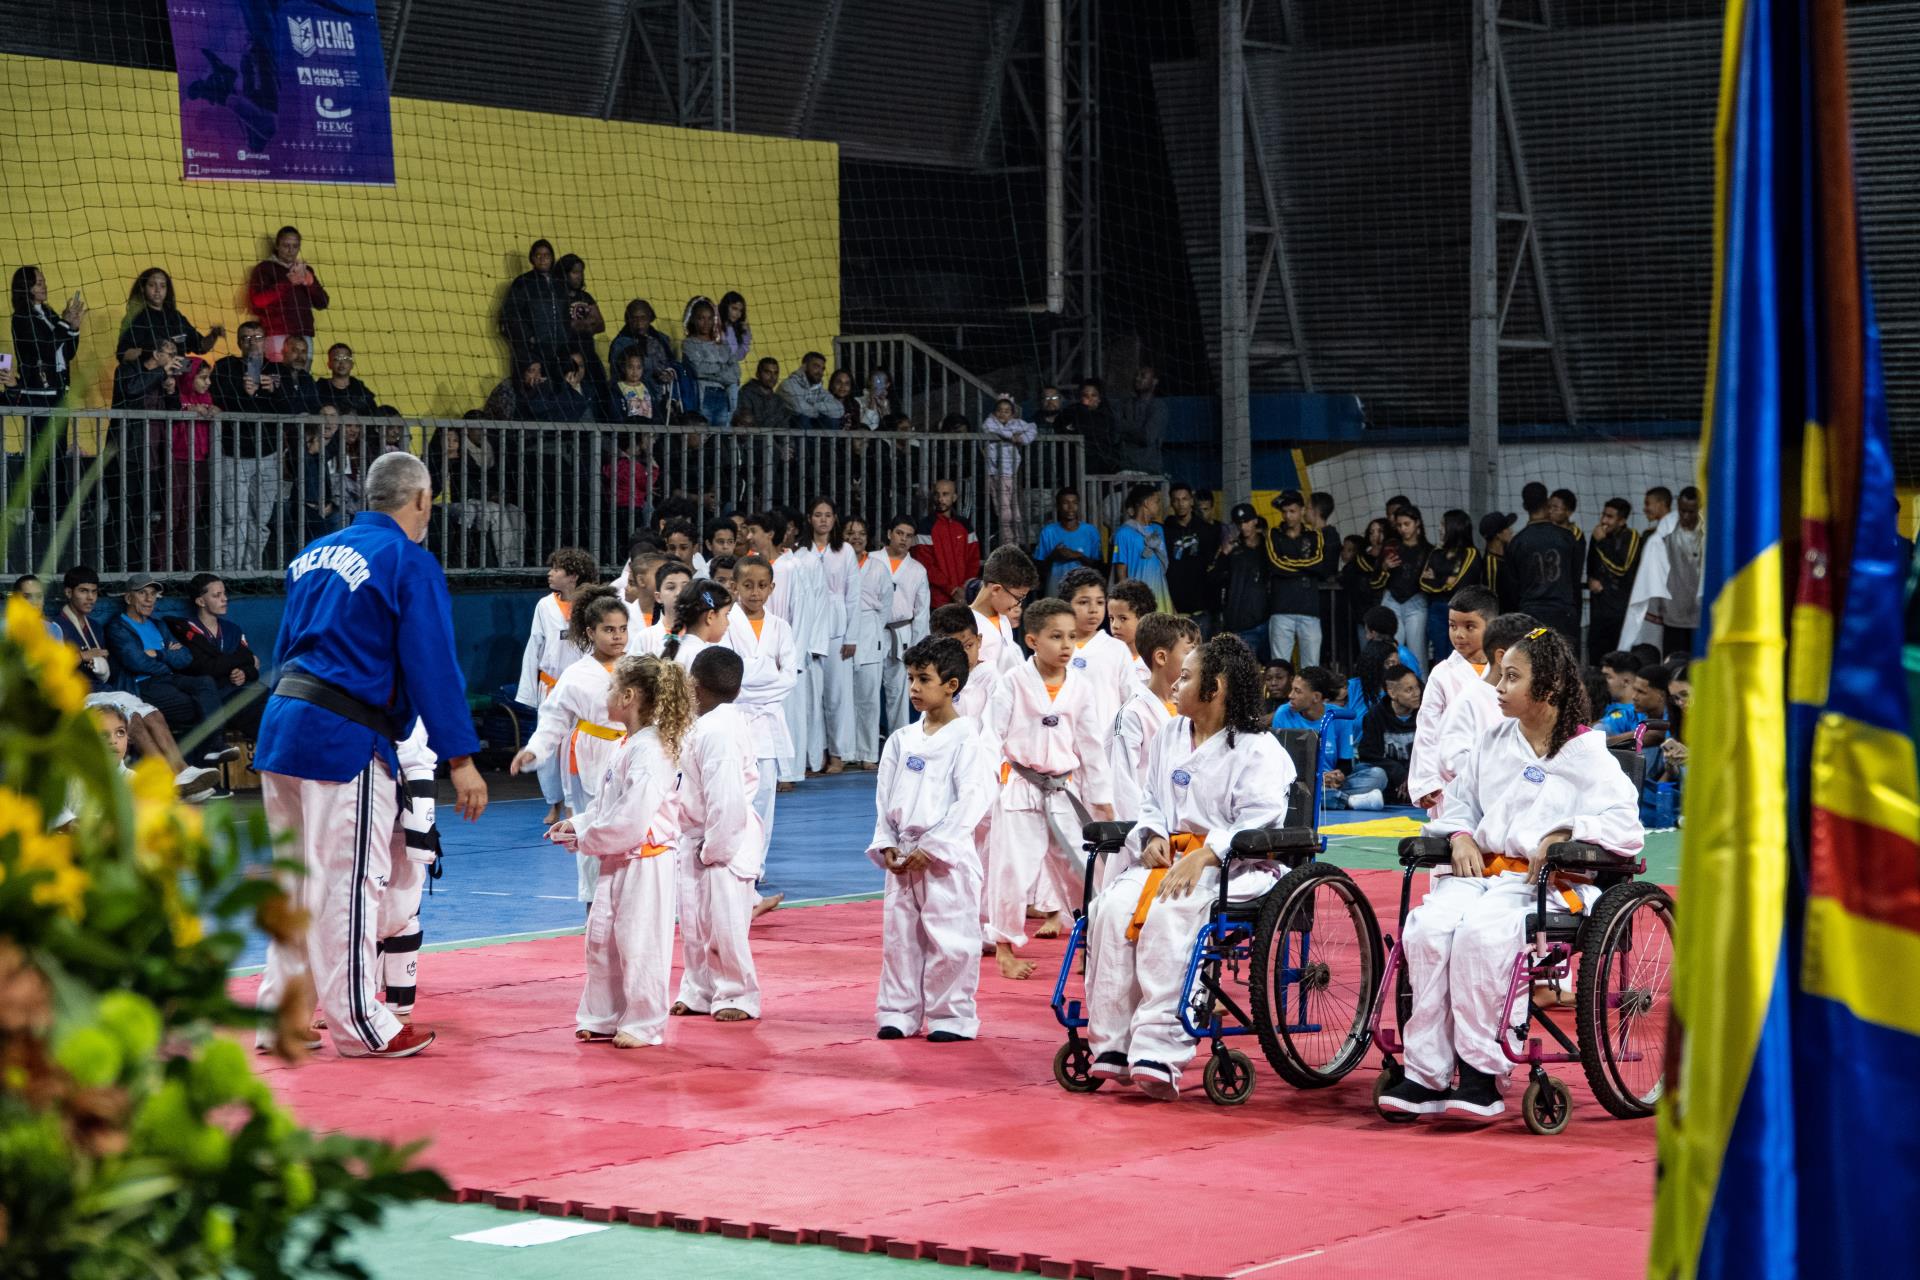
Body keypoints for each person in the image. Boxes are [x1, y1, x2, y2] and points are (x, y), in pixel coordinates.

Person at [253, 452, 487, 1060]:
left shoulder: (312, 555)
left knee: (295, 880)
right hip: (343, 737)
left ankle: (282, 1015)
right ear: (422, 500)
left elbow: (285, 648)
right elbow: (431, 663)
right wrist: (459, 758)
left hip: (283, 725)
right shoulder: (408, 561)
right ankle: (361, 1023)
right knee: (348, 884)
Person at [1377, 627, 1642, 1120]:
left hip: (1550, 887)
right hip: (1483, 876)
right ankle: (1425, 1073)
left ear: (1549, 687)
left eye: (1512, 678)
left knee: (1484, 935)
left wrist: (1566, 830)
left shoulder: (1588, 754)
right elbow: (1458, 807)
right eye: (1501, 675)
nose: (1498, 687)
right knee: (1428, 928)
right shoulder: (1494, 740)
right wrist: (1457, 836)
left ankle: (1482, 1076)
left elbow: (1627, 829)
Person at [1082, 634, 1293, 1098]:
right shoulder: (1172, 734)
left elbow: (1261, 819)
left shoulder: (1260, 750)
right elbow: (1153, 800)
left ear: (1215, 687)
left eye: (1186, 678)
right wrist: (1153, 834)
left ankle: (1161, 1046)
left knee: (1170, 914)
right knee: (1110, 909)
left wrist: (1208, 852)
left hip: (1235, 868)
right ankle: (1112, 1043)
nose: (1175, 686)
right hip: (1171, 860)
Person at [548, 655, 693, 1048]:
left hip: (646, 859)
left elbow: (631, 818)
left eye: (611, 688)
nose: (606, 694)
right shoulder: (629, 744)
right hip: (619, 858)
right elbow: (608, 806)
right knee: (602, 939)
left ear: (628, 696)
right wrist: (577, 824)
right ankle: (603, 1015)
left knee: (640, 943)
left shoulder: (651, 750)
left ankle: (644, 1023)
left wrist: (587, 839)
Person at [868, 636, 998, 1041]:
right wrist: (887, 840)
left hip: (947, 858)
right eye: (910, 679)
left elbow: (972, 801)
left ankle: (952, 1016)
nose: (914, 689)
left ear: (952, 685)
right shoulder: (901, 739)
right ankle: (898, 1012)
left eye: (924, 679)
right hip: (904, 852)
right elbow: (883, 798)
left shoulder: (968, 739)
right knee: (900, 938)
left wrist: (935, 847)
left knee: (952, 939)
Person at [980, 596, 1116, 979]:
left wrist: (1102, 799)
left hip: (1063, 789)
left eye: (1072, 637)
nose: (1067, 645)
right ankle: (1005, 945)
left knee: (1083, 869)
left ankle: (1090, 939)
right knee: (1013, 870)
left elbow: (1090, 745)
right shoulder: (1013, 683)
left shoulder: (1080, 686)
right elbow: (991, 736)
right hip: (1021, 787)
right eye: (1057, 636)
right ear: (1034, 640)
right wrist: (993, 780)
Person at [511, 586, 630, 904]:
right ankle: (594, 902)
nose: (617, 637)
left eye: (622, 629)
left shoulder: (638, 668)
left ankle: (628, 897)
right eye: (608, 630)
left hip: (633, 753)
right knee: (593, 826)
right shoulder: (576, 675)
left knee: (632, 825)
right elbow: (553, 720)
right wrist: (534, 750)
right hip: (591, 755)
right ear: (591, 632)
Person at [673, 647, 766, 1021]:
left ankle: (737, 995)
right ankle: (698, 990)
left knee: (725, 926)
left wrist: (716, 848)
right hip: (698, 834)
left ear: (692, 684)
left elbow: (726, 800)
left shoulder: (719, 730)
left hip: (726, 838)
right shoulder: (702, 723)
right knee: (695, 922)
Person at [722, 554, 798, 892]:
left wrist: (752, 676)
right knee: (737, 796)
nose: (755, 593)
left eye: (762, 586)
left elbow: (789, 678)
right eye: (748, 586)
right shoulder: (725, 624)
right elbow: (728, 675)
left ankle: (757, 864)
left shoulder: (781, 627)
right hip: (735, 718)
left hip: (766, 722)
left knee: (765, 796)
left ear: (772, 588)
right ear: (734, 586)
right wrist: (763, 670)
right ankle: (734, 860)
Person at [515, 547, 595, 825]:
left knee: (577, 748)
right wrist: (528, 692)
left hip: (583, 690)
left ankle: (576, 805)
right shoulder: (544, 606)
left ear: (572, 575)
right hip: (550, 687)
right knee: (549, 752)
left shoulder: (592, 605)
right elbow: (534, 646)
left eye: (557, 569)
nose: (550, 573)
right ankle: (554, 804)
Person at [1405, 585, 1500, 813]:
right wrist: (1427, 782)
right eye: (1452, 626)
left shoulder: (1505, 670)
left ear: (1492, 627)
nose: (1459, 634)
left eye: (1470, 627)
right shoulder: (1443, 673)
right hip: (1452, 778)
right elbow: (1427, 731)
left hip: (1498, 772)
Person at [105, 576, 225, 752]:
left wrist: (158, 654)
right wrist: (169, 659)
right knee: (199, 704)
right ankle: (205, 752)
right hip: (143, 685)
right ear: (128, 598)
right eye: (142, 593)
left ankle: (216, 745)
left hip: (169, 678)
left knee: (206, 683)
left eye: (153, 594)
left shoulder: (158, 625)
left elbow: (185, 657)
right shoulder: (118, 627)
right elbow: (137, 663)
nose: (149, 599)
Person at [1433, 612, 1541, 793]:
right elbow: (1451, 761)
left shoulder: (1529, 697)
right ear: (1502, 657)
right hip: (1475, 811)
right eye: (1532, 655)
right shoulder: (1469, 701)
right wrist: (1505, 775)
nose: (1537, 663)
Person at [210, 321, 288, 571]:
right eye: (246, 338)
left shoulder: (278, 370)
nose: (252, 341)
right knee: (235, 519)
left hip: (268, 454)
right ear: (238, 342)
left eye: (257, 336)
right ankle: (231, 573)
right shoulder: (225, 367)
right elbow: (220, 402)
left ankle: (251, 571)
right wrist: (244, 393)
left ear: (265, 340)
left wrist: (274, 391)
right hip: (235, 454)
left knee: (260, 520)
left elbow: (291, 408)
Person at [1110, 611, 1200, 823]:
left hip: (1186, 828)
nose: (1197, 661)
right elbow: (1123, 786)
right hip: (1147, 832)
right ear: (1161, 657)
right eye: (1189, 652)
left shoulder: (1195, 710)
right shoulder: (1133, 714)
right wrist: (1149, 831)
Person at [1272, 665, 1381, 810]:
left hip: (1331, 782)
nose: (1290, 695)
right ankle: (1350, 801)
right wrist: (1317, 778)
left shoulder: (1340, 716)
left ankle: (1330, 797)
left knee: (1378, 775)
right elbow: (1278, 764)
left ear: (1316, 697)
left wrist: (1337, 776)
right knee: (1290, 791)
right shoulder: (1283, 713)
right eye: (1292, 689)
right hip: (1297, 780)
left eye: (1297, 691)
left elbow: (1345, 763)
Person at [168, 573, 263, 737]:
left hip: (238, 692)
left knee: (274, 701)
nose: (224, 599)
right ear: (201, 601)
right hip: (211, 700)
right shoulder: (186, 630)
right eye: (217, 595)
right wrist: (247, 660)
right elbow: (204, 668)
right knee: (253, 711)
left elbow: (253, 670)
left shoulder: (232, 629)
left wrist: (244, 673)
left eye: (224, 593)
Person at [1059, 566, 1138, 736]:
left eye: (1100, 602)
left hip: (1105, 746)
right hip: (1062, 746)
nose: (1093, 609)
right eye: (1083, 602)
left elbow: (1131, 702)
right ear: (1066, 605)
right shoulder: (1051, 646)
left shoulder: (1117, 649)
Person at [874, 515, 931, 736]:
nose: (903, 539)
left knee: (898, 691)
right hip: (874, 629)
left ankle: (898, 740)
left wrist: (918, 647)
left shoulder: (917, 570)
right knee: (866, 691)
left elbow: (922, 611)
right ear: (889, 533)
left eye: (909, 536)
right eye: (899, 533)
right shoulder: (872, 559)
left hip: (903, 633)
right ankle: (864, 749)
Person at [1504, 482, 1582, 644]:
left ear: (1525, 506)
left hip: (1531, 619)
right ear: (1547, 503)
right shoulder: (1567, 538)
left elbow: (1511, 591)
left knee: (1534, 662)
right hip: (1563, 617)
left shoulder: (1517, 542)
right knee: (1563, 663)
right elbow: (1575, 582)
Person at [1264, 489, 1331, 669]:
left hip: (1309, 610)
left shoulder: (1315, 535)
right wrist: (1305, 567)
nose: (1288, 516)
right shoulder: (1273, 534)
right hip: (1281, 610)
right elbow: (1275, 564)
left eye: (1292, 511)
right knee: (1279, 666)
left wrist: (1288, 563)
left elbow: (1319, 563)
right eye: (1284, 512)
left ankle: (1308, 698)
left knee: (1311, 668)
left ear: (1302, 510)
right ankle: (1280, 699)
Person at [842, 517, 890, 768]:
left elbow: (886, 607)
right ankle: (846, 752)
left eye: (861, 533)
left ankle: (869, 753)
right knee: (844, 696)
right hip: (843, 630)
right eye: (850, 533)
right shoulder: (836, 563)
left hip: (870, 631)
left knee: (869, 697)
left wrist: (872, 630)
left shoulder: (878, 568)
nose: (856, 538)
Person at [247, 226, 330, 362]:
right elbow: (257, 301)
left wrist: (311, 283)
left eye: (295, 246)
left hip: (304, 334)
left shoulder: (305, 269)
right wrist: (287, 282)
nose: (291, 251)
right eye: (286, 245)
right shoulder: (265, 268)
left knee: (302, 378)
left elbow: (323, 303)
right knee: (279, 379)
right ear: (277, 246)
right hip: (277, 334)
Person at [1419, 509, 1487, 669]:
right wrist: (1446, 580)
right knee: (1440, 657)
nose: (1439, 528)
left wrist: (1436, 579)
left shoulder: (1470, 553)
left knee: (1459, 655)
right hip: (1436, 610)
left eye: (1443, 524)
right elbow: (1423, 583)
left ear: (1455, 527)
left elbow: (1458, 585)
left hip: (1461, 612)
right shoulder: (1436, 553)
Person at [10, 265, 85, 410]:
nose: (44, 286)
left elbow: (68, 353)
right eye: (39, 283)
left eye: (44, 282)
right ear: (27, 286)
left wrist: (74, 328)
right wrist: (64, 322)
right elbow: (45, 349)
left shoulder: (50, 314)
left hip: (59, 391)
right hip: (37, 394)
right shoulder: (22, 316)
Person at [116, 267, 223, 365]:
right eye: (152, 285)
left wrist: (213, 335)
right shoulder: (139, 318)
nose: (158, 290)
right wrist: (153, 353)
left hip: (178, 373)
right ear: (143, 288)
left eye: (162, 286)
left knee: (200, 368)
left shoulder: (175, 316)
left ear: (167, 290)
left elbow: (200, 347)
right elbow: (122, 353)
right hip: (152, 377)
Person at [1618, 487, 1678, 651]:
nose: (1645, 508)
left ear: (1661, 504)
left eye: (1648, 503)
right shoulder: (1654, 533)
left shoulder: (1669, 533)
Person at [500, 239, 571, 376]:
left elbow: (565, 316)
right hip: (534, 353)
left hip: (561, 352)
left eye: (547, 255)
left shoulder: (560, 283)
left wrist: (567, 339)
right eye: (539, 255)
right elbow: (511, 315)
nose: (543, 259)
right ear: (532, 259)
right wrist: (530, 338)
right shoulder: (523, 282)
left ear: (552, 258)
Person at [1210, 502, 1271, 658]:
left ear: (1255, 521)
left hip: (1268, 622)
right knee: (1246, 675)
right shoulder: (1232, 549)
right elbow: (1214, 577)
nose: (1244, 526)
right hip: (1241, 623)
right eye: (1240, 523)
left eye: (1247, 521)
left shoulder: (1269, 547)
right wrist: (1224, 553)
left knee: (1273, 672)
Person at [1647, 486, 1703, 654]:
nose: (1686, 516)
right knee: (1672, 665)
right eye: (1682, 511)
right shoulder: (1666, 532)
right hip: (1673, 613)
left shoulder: (1711, 533)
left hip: (1701, 614)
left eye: (1691, 512)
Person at [1584, 498, 1642, 661]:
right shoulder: (1598, 535)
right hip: (1599, 610)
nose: (1604, 521)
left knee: (1618, 659)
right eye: (1603, 515)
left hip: (1620, 612)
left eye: (1610, 517)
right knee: (1596, 657)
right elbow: (1591, 565)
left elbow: (1622, 568)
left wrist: (1602, 542)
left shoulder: (1632, 537)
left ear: (1622, 520)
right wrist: (1591, 580)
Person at [968, 545, 1038, 676]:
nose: (1019, 605)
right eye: (1018, 598)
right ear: (996, 589)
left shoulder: (1004, 619)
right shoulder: (965, 625)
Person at [1357, 664, 1423, 805]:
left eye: (1417, 687)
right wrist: (1398, 772)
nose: (1417, 693)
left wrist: (1409, 776)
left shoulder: (1426, 713)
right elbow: (1369, 755)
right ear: (1392, 693)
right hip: (1389, 779)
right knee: (1375, 775)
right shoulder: (1374, 716)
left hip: (1419, 777)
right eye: (1409, 690)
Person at [1381, 504, 1433, 675]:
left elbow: (1433, 582)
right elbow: (1375, 578)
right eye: (1399, 525)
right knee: (1390, 650)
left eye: (1406, 524)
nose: (1402, 529)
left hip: (1416, 601)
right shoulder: (1391, 547)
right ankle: (1388, 690)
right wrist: (1384, 567)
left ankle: (1422, 694)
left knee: (1417, 653)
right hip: (1392, 600)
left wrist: (1432, 577)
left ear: (1417, 523)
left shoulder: (1429, 550)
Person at [913, 477, 981, 609]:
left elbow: (973, 560)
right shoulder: (924, 527)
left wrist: (964, 589)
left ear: (954, 497)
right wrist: (953, 590)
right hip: (937, 601)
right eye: (937, 494)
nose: (940, 499)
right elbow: (926, 565)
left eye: (945, 494)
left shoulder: (965, 525)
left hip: (964, 598)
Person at [1162, 483, 1220, 631]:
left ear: (1192, 501)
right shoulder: (1165, 531)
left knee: (1201, 654)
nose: (1181, 504)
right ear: (1171, 503)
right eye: (1176, 500)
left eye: (1185, 499)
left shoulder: (1207, 530)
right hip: (1175, 610)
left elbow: (1213, 567)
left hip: (1202, 610)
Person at [1110, 483, 1171, 613]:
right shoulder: (1123, 533)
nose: (1159, 506)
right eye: (1157, 502)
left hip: (1160, 597)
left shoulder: (1158, 530)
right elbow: (1121, 574)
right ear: (1146, 503)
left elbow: (1161, 572)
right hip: (1138, 602)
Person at [1032, 487, 1104, 598]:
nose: (1071, 507)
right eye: (1065, 503)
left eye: (1074, 503)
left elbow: (1099, 566)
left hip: (1083, 593)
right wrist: (1054, 555)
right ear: (1058, 507)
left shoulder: (1090, 531)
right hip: (1055, 593)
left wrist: (1078, 556)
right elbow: (1038, 568)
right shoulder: (1048, 532)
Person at [931, 603, 995, 720]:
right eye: (954, 649)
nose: (964, 656)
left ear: (979, 640)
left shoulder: (993, 680)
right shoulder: (935, 679)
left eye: (969, 645)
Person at [555, 254, 607, 396]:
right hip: (567, 354)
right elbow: (565, 326)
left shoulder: (586, 297)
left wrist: (580, 325)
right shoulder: (557, 297)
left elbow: (601, 325)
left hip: (588, 351)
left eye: (581, 272)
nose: (579, 276)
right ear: (564, 273)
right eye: (575, 272)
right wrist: (587, 323)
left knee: (600, 390)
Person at [1111, 364, 1167, 475]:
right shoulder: (1125, 404)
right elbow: (1114, 433)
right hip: (1124, 467)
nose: (1137, 378)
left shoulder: (1158, 405)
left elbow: (1147, 437)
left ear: (1154, 381)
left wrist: (1125, 428)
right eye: (1136, 375)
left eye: (1143, 376)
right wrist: (1135, 429)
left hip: (1147, 470)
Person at [1106, 578, 1158, 689]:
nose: (1115, 625)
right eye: (1111, 618)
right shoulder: (1105, 657)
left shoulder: (1155, 662)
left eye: (1123, 618)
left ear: (1144, 619)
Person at [779, 350, 842, 431]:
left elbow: (839, 409)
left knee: (832, 421)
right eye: (816, 366)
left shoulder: (819, 389)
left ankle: (828, 444)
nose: (820, 372)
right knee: (802, 418)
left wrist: (815, 405)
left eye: (822, 369)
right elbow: (800, 409)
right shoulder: (788, 384)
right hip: (786, 432)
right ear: (804, 366)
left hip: (810, 429)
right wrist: (820, 412)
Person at [315, 344, 378, 417]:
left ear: (352, 364)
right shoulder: (318, 390)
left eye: (346, 359)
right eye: (336, 359)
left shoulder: (362, 393)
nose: (341, 363)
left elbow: (374, 419)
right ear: (329, 364)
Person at [737, 357, 793, 434]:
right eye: (768, 372)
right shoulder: (746, 394)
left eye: (775, 373)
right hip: (751, 441)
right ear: (757, 374)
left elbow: (783, 427)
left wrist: (789, 445)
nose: (772, 377)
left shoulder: (779, 401)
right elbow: (747, 424)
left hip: (772, 443)